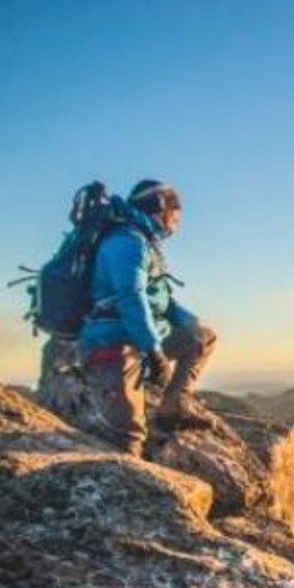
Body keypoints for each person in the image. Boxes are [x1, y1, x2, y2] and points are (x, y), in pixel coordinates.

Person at [77, 179, 216, 456]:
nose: (176, 223)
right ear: (160, 208)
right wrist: (154, 352)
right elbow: (131, 298)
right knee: (129, 439)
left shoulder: (142, 240)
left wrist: (190, 323)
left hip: (135, 338)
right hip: (114, 345)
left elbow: (158, 298)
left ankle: (172, 409)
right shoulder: (127, 241)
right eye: (175, 214)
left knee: (202, 337)